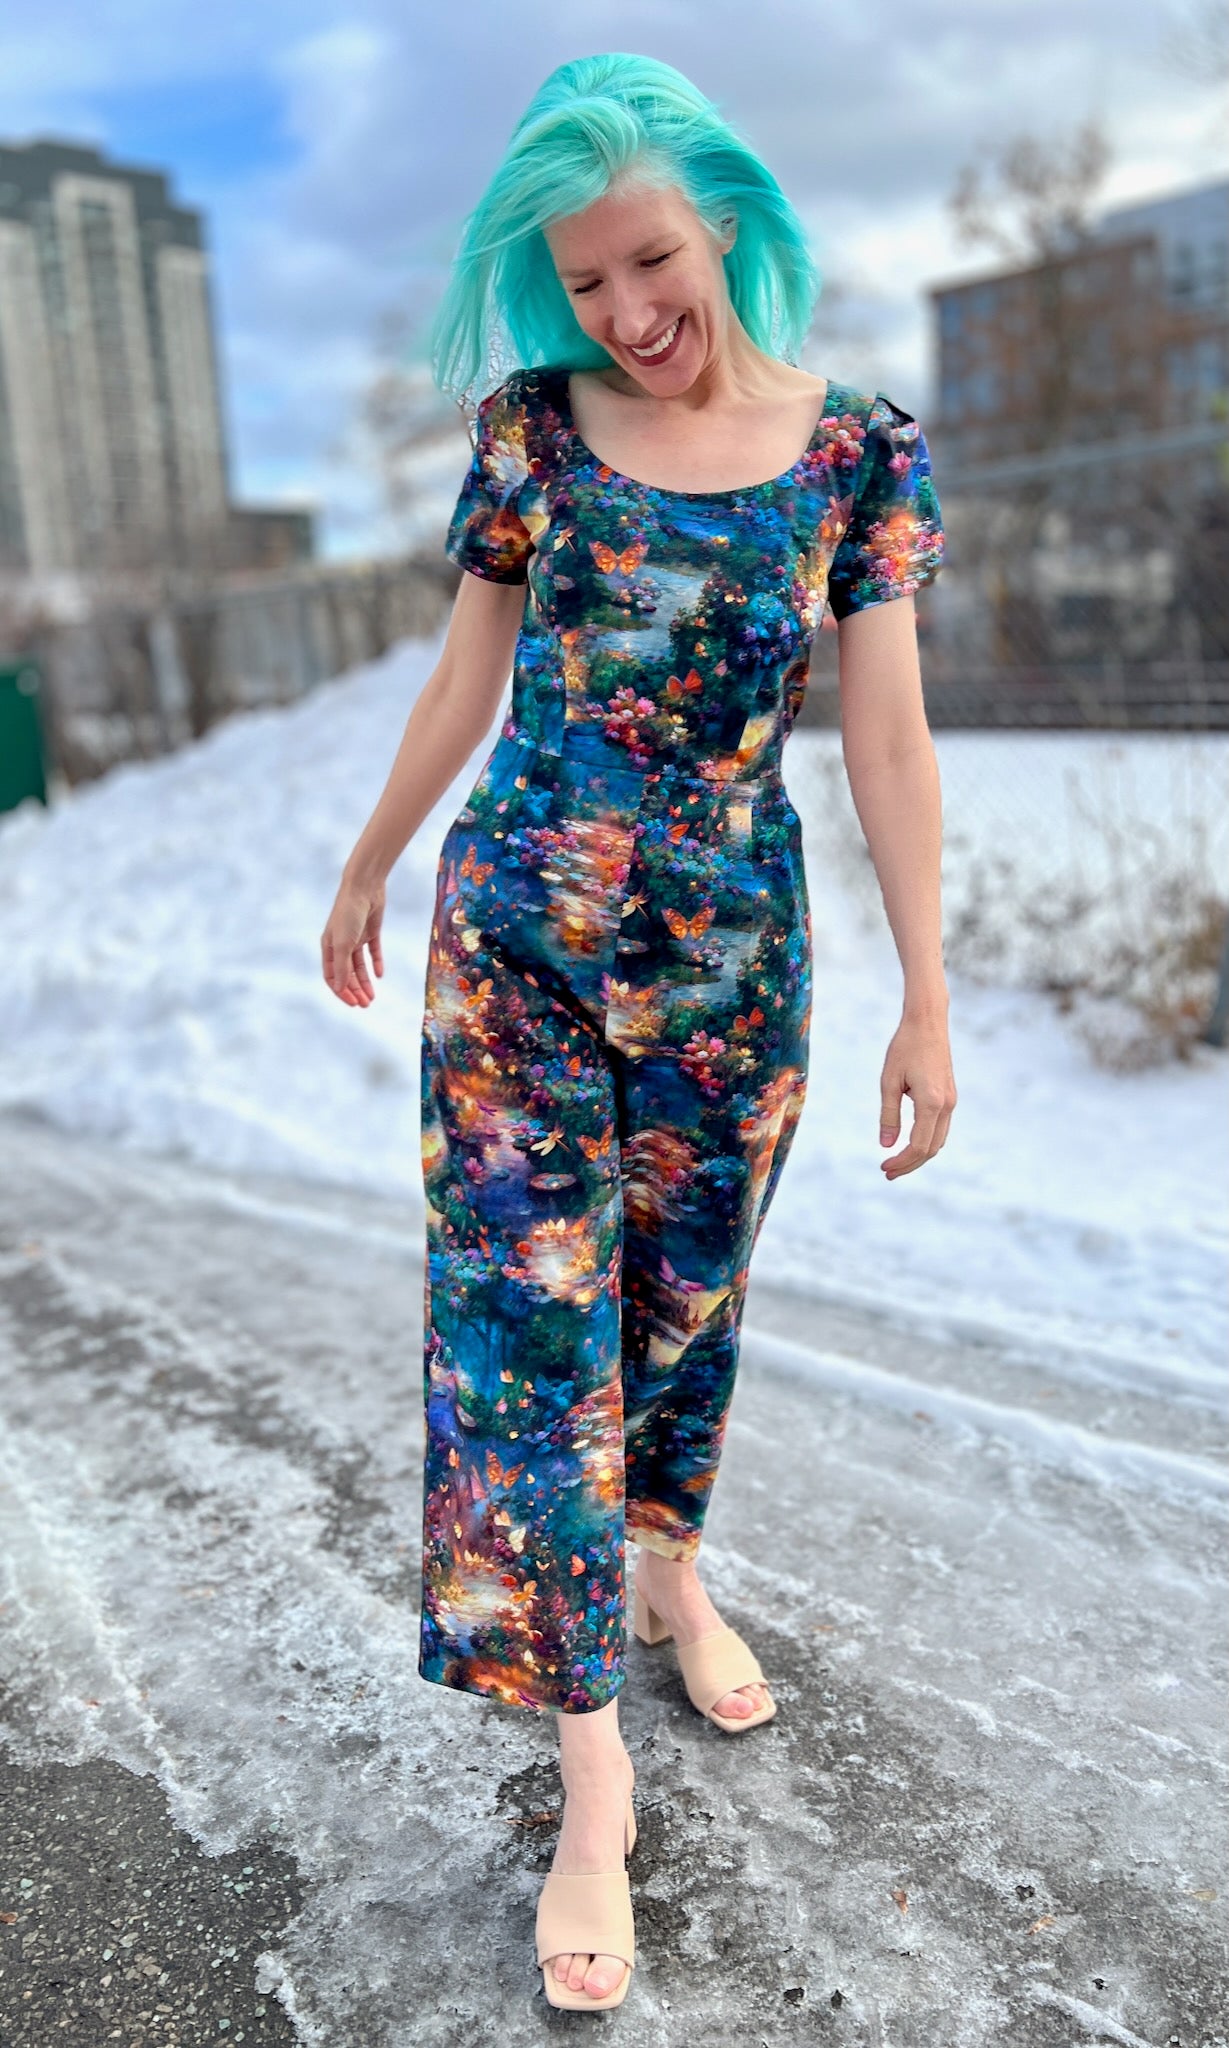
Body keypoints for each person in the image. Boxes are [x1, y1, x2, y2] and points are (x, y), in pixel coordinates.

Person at [321, 51, 956, 2014]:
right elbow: (465, 676)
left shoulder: (856, 453)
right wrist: (370, 857)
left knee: (682, 1309)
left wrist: (929, 992)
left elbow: (888, 737)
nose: (624, 311)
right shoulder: (533, 432)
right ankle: (590, 1780)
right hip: (516, 946)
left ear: (727, 225)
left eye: (650, 262)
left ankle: (667, 1567)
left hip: (731, 963)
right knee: (530, 1345)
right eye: (585, 281)